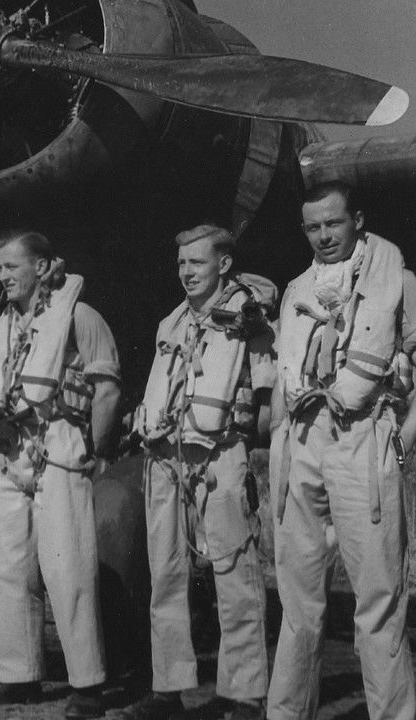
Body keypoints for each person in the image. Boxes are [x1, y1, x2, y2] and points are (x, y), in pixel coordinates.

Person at [267, 181, 416, 720]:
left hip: (363, 440)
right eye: (313, 227)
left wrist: (401, 444)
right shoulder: (296, 288)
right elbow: (283, 381)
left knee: (379, 598)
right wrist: (279, 446)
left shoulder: (399, 283)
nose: (324, 236)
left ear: (358, 221)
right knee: (297, 603)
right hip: (300, 445)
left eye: (334, 224)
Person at [116, 225, 276, 720]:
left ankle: (244, 694)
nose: (186, 272)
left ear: (224, 264)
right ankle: (169, 689)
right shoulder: (171, 322)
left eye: (197, 263)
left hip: (220, 457)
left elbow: (271, 397)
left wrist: (246, 447)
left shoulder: (252, 320)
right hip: (166, 459)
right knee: (165, 575)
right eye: (182, 263)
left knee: (234, 575)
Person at [0, 231, 120, 720]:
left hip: (59, 453)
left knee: (69, 569)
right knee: (9, 570)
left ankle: (88, 683)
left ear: (41, 267)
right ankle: (18, 677)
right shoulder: (1, 325)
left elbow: (107, 388)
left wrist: (98, 452)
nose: (3, 276)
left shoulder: (81, 317)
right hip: (5, 455)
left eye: (12, 267)